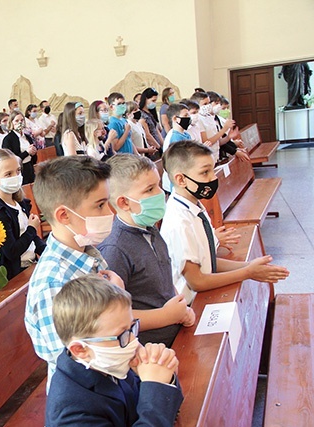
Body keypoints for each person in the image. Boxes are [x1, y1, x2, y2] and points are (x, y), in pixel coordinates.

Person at [25, 156, 123, 389]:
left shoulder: (86, 253)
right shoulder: (54, 283)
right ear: (64, 215)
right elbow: (73, 364)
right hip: (88, 394)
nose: (109, 212)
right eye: (100, 205)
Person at [160, 140, 290, 302]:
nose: (213, 178)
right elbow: (197, 282)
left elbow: (208, 261)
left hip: (203, 294)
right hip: (191, 304)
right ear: (181, 180)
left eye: (213, 170)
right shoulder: (179, 222)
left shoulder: (194, 205)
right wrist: (248, 272)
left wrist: (249, 266)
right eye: (205, 172)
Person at [46, 274, 183, 426]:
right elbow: (153, 401)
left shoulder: (110, 361)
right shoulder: (72, 413)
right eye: (122, 334)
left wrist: (164, 373)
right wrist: (156, 386)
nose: (133, 341)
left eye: (132, 327)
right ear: (80, 349)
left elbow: (156, 406)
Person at [100, 154, 195, 347]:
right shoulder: (114, 248)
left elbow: (165, 280)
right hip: (152, 346)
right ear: (124, 203)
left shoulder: (149, 225)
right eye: (150, 189)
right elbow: (114, 316)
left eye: (158, 184)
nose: (160, 193)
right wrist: (166, 316)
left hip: (175, 327)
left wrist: (181, 307)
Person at [0, 149, 46, 279]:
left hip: (31, 264)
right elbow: (12, 252)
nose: (15, 176)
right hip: (17, 272)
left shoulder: (19, 202)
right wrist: (32, 228)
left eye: (18, 171)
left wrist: (46, 252)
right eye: (8, 174)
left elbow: (32, 238)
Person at [190, 91, 233, 163]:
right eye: (205, 104)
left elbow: (217, 141)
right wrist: (224, 129)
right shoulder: (199, 119)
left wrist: (228, 137)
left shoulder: (209, 117)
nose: (208, 106)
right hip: (207, 158)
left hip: (216, 156)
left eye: (209, 103)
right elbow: (206, 142)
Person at [161, 103, 193, 193]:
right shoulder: (175, 137)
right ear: (175, 118)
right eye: (185, 115)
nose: (189, 118)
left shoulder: (185, 134)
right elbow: (178, 161)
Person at [3, 111, 37, 184]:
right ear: (11, 122)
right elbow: (10, 159)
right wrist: (27, 152)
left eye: (22, 120)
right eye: (17, 121)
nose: (20, 123)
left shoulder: (27, 137)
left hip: (29, 167)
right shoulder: (8, 139)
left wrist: (33, 153)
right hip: (18, 171)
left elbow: (33, 158)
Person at [138, 88, 163, 154]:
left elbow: (156, 130)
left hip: (158, 145)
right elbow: (147, 135)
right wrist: (158, 147)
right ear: (146, 99)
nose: (154, 103)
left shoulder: (150, 113)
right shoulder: (141, 115)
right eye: (153, 100)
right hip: (152, 148)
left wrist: (163, 144)